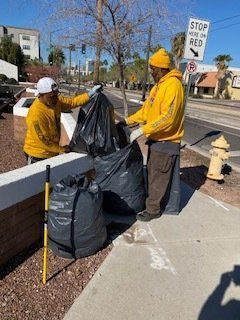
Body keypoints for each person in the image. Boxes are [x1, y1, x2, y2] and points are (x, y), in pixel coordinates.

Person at [120, 48, 184, 221]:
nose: (151, 73)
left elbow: (168, 118)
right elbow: (146, 112)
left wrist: (143, 130)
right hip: (156, 140)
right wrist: (127, 121)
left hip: (166, 141)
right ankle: (151, 205)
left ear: (162, 69)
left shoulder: (173, 86)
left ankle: (153, 210)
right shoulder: (159, 86)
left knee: (157, 178)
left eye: (153, 70)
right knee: (153, 174)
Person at [23, 77, 101, 164]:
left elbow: (72, 102)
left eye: (56, 95)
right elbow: (43, 141)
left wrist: (89, 94)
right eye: (51, 97)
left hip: (52, 152)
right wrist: (61, 149)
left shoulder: (55, 102)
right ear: (40, 95)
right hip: (37, 154)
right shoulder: (36, 113)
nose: (56, 99)